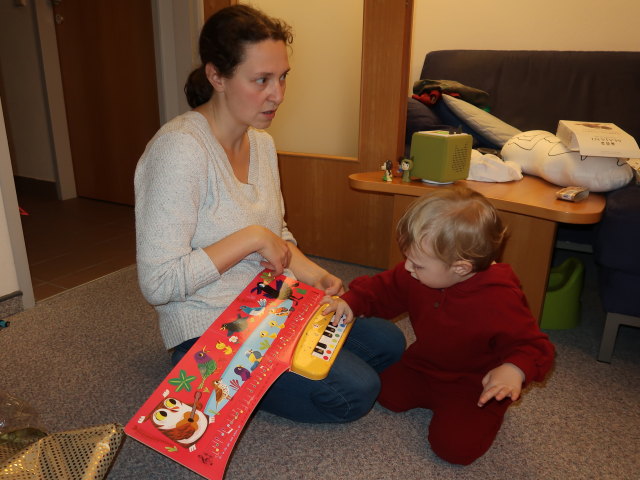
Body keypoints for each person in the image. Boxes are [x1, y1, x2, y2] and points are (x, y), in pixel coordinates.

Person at [134, 5, 405, 424]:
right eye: (261, 80)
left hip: (272, 304)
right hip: (211, 328)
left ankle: (270, 368)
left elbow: (276, 233)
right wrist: (251, 238)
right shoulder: (179, 151)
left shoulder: (261, 144)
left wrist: (315, 275)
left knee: (388, 340)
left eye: (282, 77)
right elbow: (159, 283)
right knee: (356, 392)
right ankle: (200, 373)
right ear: (217, 76)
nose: (277, 94)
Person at [323, 184, 555, 464]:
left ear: (461, 268)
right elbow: (383, 289)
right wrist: (351, 301)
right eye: (407, 258)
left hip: (473, 383)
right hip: (424, 364)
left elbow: (532, 344)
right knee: (385, 394)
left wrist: (514, 369)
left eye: (418, 264)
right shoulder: (417, 274)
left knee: (455, 449)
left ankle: (492, 408)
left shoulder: (500, 298)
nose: (407, 267)